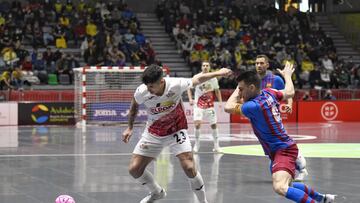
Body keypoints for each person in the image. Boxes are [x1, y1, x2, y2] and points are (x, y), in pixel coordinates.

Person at [224, 63, 336, 203]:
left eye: (241, 89)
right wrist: (288, 76)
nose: (239, 93)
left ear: (252, 88)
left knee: (280, 187)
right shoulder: (270, 92)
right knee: (288, 185)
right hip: (278, 150)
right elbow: (289, 92)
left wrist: (236, 90)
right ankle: (323, 198)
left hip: (283, 150)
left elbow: (228, 107)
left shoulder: (254, 106)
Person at [122, 64, 231, 203]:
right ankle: (157, 192)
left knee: (189, 167)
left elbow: (197, 79)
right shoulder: (142, 91)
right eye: (147, 86)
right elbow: (134, 107)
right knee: (134, 169)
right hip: (153, 132)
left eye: (152, 86)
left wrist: (219, 73)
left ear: (161, 82)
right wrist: (129, 127)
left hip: (176, 130)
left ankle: (203, 201)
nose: (149, 90)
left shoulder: (176, 84)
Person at [255, 54, 308, 181]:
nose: (259, 65)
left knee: (282, 143)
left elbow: (288, 92)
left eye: (261, 63)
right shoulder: (254, 80)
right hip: (260, 120)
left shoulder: (276, 79)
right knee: (270, 146)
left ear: (267, 65)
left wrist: (289, 104)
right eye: (256, 63)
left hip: (273, 117)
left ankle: (301, 166)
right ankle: (285, 165)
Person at [187, 61, 222, 153]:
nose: (205, 67)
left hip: (210, 105)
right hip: (198, 105)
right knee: (197, 124)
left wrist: (221, 102)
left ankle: (216, 146)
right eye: (203, 65)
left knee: (214, 125)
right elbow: (188, 88)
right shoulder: (197, 77)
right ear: (201, 67)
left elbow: (217, 91)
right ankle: (197, 144)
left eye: (207, 65)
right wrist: (190, 99)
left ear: (209, 67)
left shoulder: (214, 78)